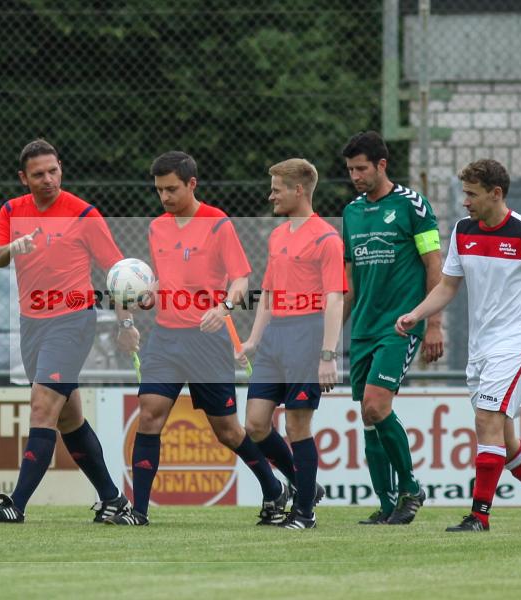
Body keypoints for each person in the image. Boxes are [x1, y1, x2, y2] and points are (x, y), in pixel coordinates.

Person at [396, 158, 521, 532]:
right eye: (464, 193)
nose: (465, 201)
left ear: (496, 193)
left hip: (516, 344)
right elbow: (448, 286)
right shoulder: (463, 231)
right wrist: (417, 314)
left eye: (471, 194)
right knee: (505, 440)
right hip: (481, 348)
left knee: (486, 420)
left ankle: (480, 516)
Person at [107, 151, 289, 526]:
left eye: (171, 189)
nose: (165, 197)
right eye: (159, 190)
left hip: (207, 341)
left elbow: (240, 280)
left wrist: (222, 308)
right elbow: (163, 280)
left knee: (227, 431)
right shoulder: (157, 227)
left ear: (192, 184)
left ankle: (273, 489)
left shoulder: (218, 223)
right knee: (149, 415)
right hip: (165, 338)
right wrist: (146, 297)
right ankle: (138, 511)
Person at [0, 139, 138, 524]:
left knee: (42, 407)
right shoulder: (12, 210)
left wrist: (125, 324)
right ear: (23, 178)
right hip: (31, 324)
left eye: (53, 171)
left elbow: (119, 275)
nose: (48, 179)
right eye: (38, 174)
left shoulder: (83, 213)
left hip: (72, 322)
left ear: (60, 168)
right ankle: (114, 500)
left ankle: (15, 504)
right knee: (68, 419)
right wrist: (14, 246)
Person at [341, 131, 444, 525]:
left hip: (401, 325)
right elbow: (349, 279)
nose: (355, 176)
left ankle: (411, 488)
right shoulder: (351, 212)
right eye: (350, 169)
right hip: (364, 328)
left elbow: (435, 264)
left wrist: (433, 323)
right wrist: (329, 334)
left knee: (375, 405)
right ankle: (386, 505)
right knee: (368, 416)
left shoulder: (412, 205)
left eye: (362, 168)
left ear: (382, 165)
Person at [238, 158, 346, 529]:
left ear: (298, 190)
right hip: (275, 338)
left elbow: (335, 299)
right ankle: (306, 487)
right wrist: (253, 338)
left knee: (298, 427)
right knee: (255, 424)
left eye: (277, 188)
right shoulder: (277, 235)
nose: (271, 196)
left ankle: (304, 513)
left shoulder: (328, 238)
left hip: (307, 334)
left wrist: (328, 355)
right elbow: (267, 291)